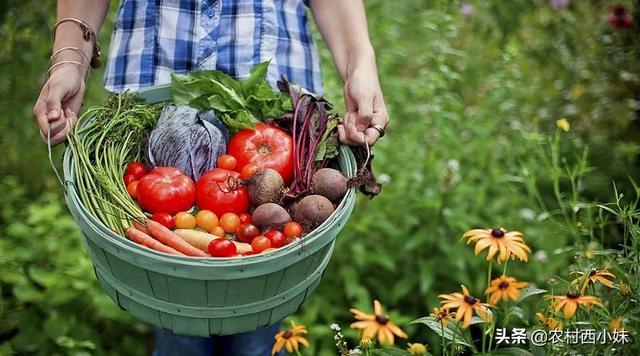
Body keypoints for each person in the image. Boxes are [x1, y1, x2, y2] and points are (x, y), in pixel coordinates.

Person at [33, 0, 388, 355]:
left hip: (272, 91)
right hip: (156, 81)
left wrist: (361, 66)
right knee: (178, 323)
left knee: (262, 320)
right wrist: (68, 59)